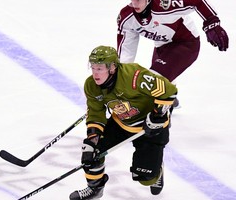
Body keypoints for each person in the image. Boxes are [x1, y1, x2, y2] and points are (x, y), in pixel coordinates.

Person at [69, 46, 178, 200]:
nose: (95, 73)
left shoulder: (134, 75)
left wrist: (158, 115)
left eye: (100, 68)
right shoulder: (91, 85)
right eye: (93, 67)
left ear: (112, 67)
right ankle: (95, 188)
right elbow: (95, 113)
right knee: (92, 151)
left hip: (150, 128)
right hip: (121, 123)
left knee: (145, 178)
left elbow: (169, 90)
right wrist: (93, 139)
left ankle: (157, 170)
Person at [117, 0, 229, 107]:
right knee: (157, 79)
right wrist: (121, 74)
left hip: (187, 43)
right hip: (162, 45)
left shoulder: (165, 4)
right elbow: (126, 49)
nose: (134, 3)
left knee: (152, 80)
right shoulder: (127, 17)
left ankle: (161, 114)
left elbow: (197, 0)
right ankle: (169, 99)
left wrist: (212, 23)